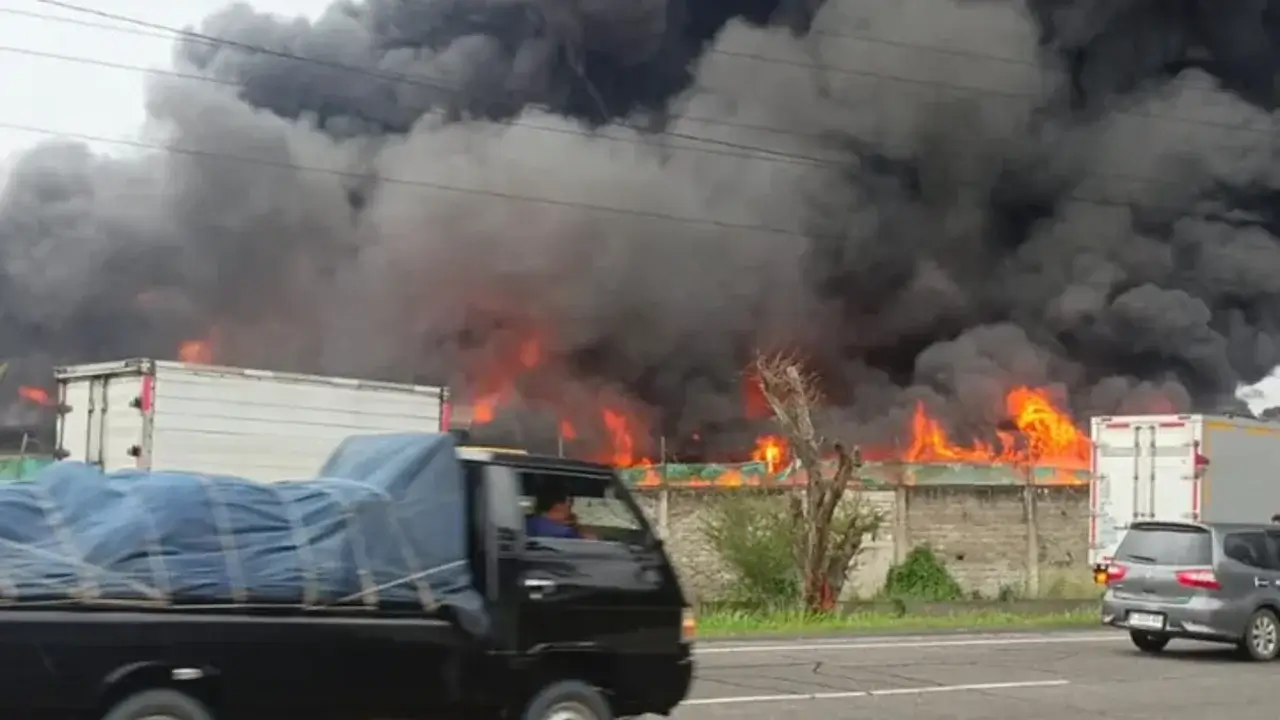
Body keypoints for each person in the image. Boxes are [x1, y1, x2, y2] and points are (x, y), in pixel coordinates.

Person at [526, 484, 594, 540]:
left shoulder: (526, 524)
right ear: (558, 505)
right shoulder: (565, 533)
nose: (571, 509)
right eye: (570, 503)